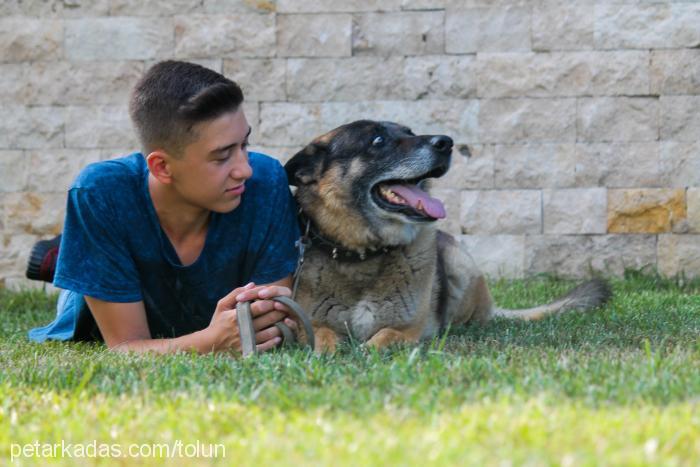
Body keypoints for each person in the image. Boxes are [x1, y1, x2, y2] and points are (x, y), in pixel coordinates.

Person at [27, 60, 301, 355]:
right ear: (162, 167)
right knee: (81, 294)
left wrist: (250, 327)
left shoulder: (266, 180)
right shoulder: (100, 192)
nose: (244, 169)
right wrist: (210, 341)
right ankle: (71, 258)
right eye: (222, 157)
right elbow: (125, 348)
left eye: (244, 145)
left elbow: (269, 327)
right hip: (106, 277)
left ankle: (74, 255)